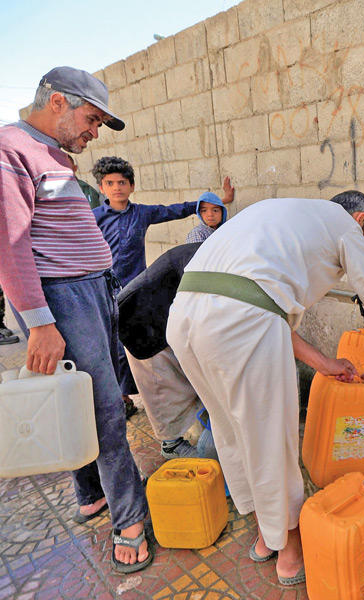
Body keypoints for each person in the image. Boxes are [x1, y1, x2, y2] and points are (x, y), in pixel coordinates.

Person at [167, 191, 364, 585]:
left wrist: (327, 364)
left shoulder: (284, 214)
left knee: (232, 430)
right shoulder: (346, 227)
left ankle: (266, 535)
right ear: (360, 218)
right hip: (237, 320)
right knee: (271, 441)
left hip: (185, 316)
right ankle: (290, 553)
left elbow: (265, 310)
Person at [0, 66, 152, 573]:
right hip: (64, 300)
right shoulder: (10, 150)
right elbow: (12, 245)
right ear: (58, 102)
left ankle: (90, 492)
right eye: (91, 119)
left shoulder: (55, 155)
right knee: (107, 409)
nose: (93, 131)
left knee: (81, 400)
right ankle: (129, 520)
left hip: (93, 291)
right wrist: (40, 322)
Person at [91, 156, 234, 417]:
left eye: (122, 182)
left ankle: (157, 397)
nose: (116, 188)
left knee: (144, 344)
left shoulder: (142, 213)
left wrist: (217, 202)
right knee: (112, 345)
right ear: (101, 188)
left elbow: (175, 209)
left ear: (131, 186)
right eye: (109, 183)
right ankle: (121, 398)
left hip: (137, 290)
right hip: (104, 291)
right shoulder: (94, 218)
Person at [118, 243, 205, 459]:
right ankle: (171, 445)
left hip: (157, 314)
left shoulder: (210, 254)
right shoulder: (204, 262)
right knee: (162, 388)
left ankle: (196, 428)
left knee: (185, 381)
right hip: (139, 320)